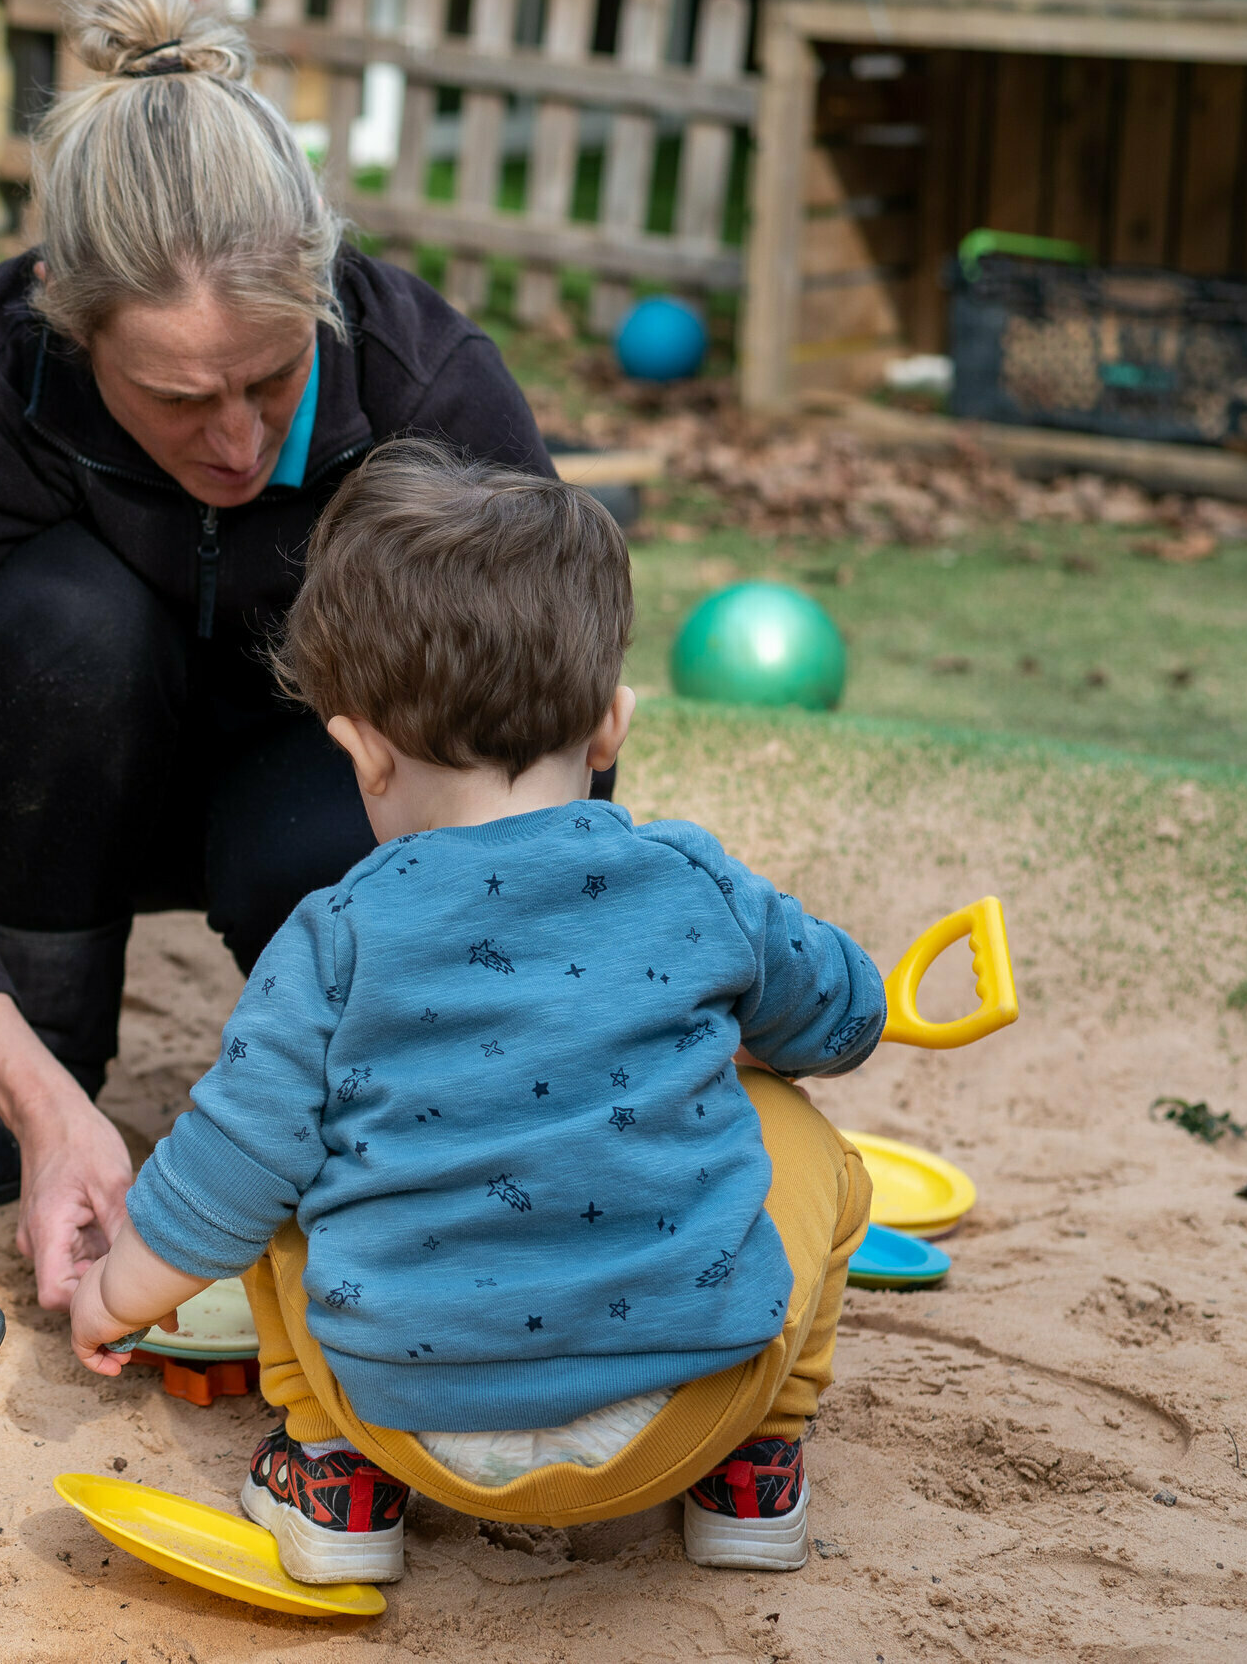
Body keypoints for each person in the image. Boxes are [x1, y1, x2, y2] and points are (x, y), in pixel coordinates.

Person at [0, 0, 572, 1302]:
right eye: (178, 397)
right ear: (64, 310)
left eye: (274, 379)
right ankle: (40, 1048)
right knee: (65, 622)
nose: (236, 440)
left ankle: (366, 1061)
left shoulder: (429, 391)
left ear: (322, 283)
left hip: (317, 782)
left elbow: (543, 772)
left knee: (348, 832)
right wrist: (41, 1110)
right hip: (67, 765)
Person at [68, 440, 881, 1581]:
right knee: (804, 1138)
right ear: (610, 725)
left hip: (414, 1421)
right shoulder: (695, 883)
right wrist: (752, 1033)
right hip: (688, 1409)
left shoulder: (336, 936)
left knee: (283, 1178)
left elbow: (222, 1167)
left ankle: (335, 1482)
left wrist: (114, 1292)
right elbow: (844, 1018)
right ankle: (755, 1475)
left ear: (356, 748)